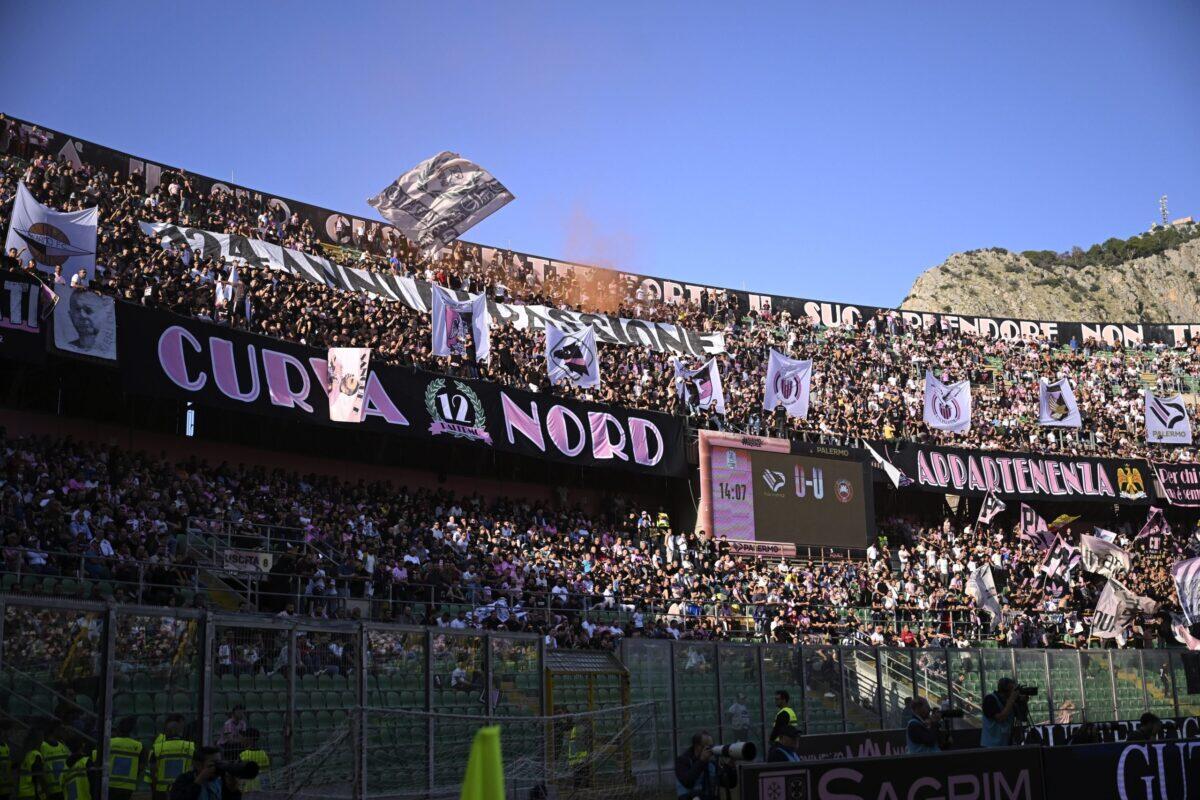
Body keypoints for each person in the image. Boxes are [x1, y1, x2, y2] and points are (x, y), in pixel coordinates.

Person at [674, 732, 736, 800]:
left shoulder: (712, 764)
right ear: (698, 746)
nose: (711, 750)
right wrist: (701, 761)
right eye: (708, 746)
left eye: (712, 746)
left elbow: (730, 784)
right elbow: (688, 782)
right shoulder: (682, 761)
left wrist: (731, 767)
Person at [146, 715, 195, 800]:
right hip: (183, 789)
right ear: (180, 731)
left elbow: (152, 772)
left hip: (162, 791)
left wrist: (154, 792)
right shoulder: (191, 746)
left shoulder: (157, 748)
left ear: (166, 732)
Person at [170, 746, 243, 800]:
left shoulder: (222, 781)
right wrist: (199, 780)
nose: (217, 767)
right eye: (213, 763)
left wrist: (233, 790)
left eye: (219, 762)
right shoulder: (185, 779)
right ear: (198, 765)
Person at [105, 716, 144, 799]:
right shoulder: (139, 746)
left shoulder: (109, 743)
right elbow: (141, 767)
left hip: (110, 785)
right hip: (128, 787)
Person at [981, 678, 1020, 747]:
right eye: (1012, 690)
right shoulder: (989, 699)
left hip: (1006, 743)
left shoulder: (1009, 701)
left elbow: (1021, 717)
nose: (1013, 692)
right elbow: (1000, 718)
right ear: (1006, 690)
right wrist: (1011, 700)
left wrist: (1022, 703)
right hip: (991, 745)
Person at [38, 727, 70, 800]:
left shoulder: (62, 746)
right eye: (60, 729)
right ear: (54, 731)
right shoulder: (42, 746)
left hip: (63, 788)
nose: (62, 731)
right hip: (51, 791)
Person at [15, 728, 45, 800]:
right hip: (32, 793)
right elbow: (39, 777)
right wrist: (46, 790)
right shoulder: (35, 755)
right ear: (38, 739)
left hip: (23, 793)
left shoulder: (26, 754)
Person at [237, 729, 269, 794]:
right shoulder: (265, 754)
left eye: (244, 737)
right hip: (263, 788)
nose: (241, 739)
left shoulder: (243, 755)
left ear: (249, 739)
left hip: (248, 789)